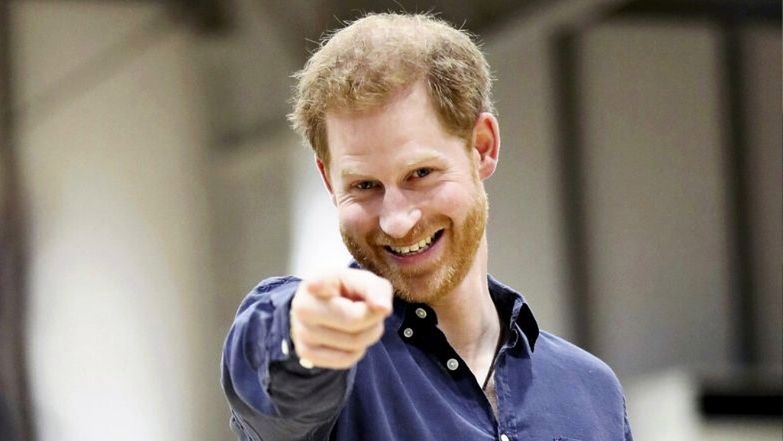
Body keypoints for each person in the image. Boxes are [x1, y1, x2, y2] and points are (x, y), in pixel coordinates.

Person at [221, 12, 633, 441]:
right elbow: (267, 369)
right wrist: (302, 336)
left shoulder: (591, 393)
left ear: (482, 147)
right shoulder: (334, 370)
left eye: (420, 174)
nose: (397, 222)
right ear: (329, 181)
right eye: (364, 186)